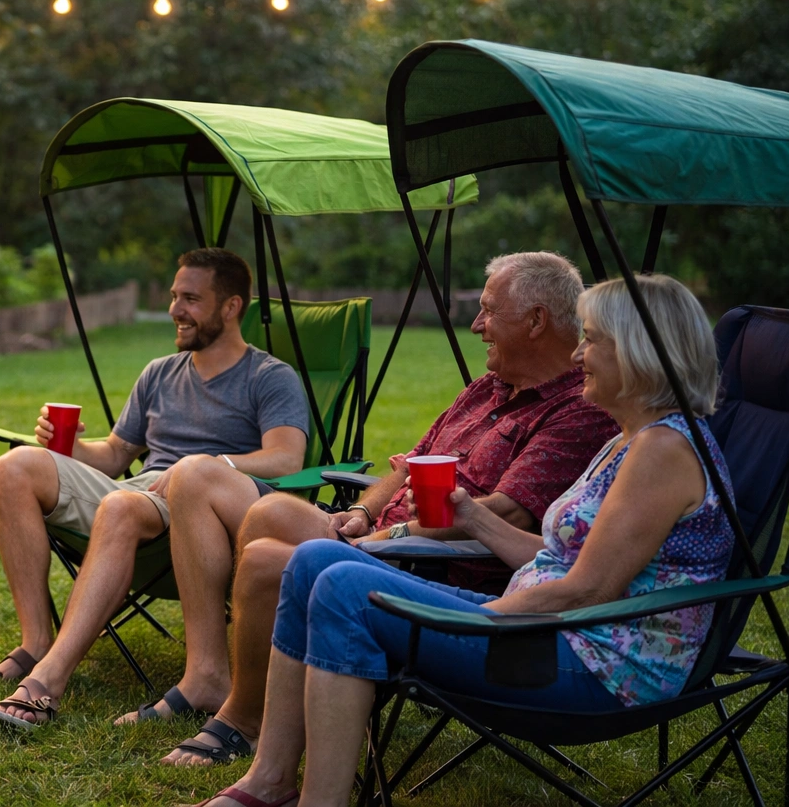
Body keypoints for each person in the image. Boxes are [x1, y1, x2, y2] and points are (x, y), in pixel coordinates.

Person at [192, 273, 734, 807]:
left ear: (637, 352)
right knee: (314, 558)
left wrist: (474, 621)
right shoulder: (629, 441)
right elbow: (559, 561)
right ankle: (269, 781)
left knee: (343, 589)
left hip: (597, 665)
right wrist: (472, 517)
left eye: (591, 340)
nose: (578, 354)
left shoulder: (663, 450)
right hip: (546, 633)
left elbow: (588, 590)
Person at [162, 251, 616, 765]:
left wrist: (389, 537)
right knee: (268, 516)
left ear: (536, 321)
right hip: (381, 540)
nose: (476, 325)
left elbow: (506, 514)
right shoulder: (486, 389)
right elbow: (408, 466)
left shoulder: (576, 411)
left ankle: (245, 720)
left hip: (435, 566)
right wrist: (361, 513)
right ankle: (276, 686)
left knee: (267, 560)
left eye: (489, 311)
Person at [0, 248, 310, 731]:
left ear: (231, 306)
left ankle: (47, 681)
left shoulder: (269, 376)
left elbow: (286, 457)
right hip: (138, 490)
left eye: (191, 299)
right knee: (15, 466)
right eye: (174, 296)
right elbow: (114, 454)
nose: (175, 310)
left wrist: (208, 465)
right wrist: (68, 446)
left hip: (205, 505)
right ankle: (35, 643)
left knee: (121, 505)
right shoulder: (159, 372)